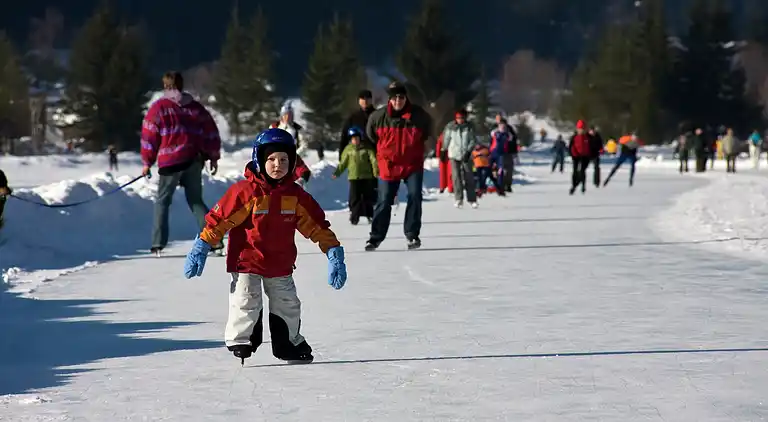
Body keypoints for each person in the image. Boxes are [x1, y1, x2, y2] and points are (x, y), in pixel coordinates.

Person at [182, 128, 347, 365]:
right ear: (259, 160)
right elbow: (219, 221)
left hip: (280, 262)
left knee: (288, 303)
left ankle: (288, 343)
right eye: (270, 159)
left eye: (283, 160)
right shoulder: (245, 192)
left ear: (292, 163)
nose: (277, 165)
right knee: (246, 297)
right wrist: (202, 246)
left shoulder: (296, 197)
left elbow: (317, 226)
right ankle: (242, 338)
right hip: (247, 260)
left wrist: (333, 252)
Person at [141, 71, 223, 256]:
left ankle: (157, 245)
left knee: (162, 202)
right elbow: (210, 132)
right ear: (181, 85)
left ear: (165, 86)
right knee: (196, 201)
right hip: (192, 160)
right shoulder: (195, 108)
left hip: (170, 163)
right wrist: (213, 156)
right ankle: (215, 241)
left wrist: (147, 162)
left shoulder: (158, 108)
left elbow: (149, 137)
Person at [364, 81, 432, 251]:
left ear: (405, 98)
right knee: (384, 200)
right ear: (390, 99)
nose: (398, 101)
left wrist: (423, 150)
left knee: (415, 195)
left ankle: (412, 234)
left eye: (401, 97)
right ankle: (375, 238)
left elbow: (429, 132)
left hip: (412, 164)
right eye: (394, 98)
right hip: (389, 165)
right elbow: (371, 136)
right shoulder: (378, 117)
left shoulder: (418, 115)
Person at [332, 126, 378, 225]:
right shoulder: (348, 150)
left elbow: (373, 160)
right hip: (354, 177)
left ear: (360, 138)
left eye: (357, 138)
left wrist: (375, 171)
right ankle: (354, 216)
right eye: (353, 139)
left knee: (367, 197)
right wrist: (337, 172)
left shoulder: (367, 148)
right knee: (354, 198)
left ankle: (369, 214)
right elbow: (343, 163)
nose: (355, 141)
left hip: (367, 177)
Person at [441, 109, 478, 208]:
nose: (460, 120)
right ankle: (458, 198)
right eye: (458, 118)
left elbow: (473, 140)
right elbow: (446, 138)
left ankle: (472, 199)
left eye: (462, 118)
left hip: (466, 155)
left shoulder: (469, 127)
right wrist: (443, 150)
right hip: (454, 154)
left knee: (468, 176)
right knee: (456, 177)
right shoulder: (450, 127)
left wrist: (469, 151)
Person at [568, 120, 593, 195]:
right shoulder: (574, 137)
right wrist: (573, 154)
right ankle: (574, 185)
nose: (581, 130)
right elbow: (570, 147)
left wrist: (591, 155)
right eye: (580, 129)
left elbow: (592, 146)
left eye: (582, 129)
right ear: (577, 129)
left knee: (582, 171)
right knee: (575, 171)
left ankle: (583, 185)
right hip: (576, 156)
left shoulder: (588, 137)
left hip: (585, 156)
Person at [489, 121, 512, 191]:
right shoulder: (495, 133)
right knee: (488, 168)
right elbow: (491, 136)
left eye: (503, 127)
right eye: (501, 126)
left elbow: (510, 138)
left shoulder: (507, 134)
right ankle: (487, 184)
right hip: (493, 153)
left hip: (501, 154)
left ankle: (500, 185)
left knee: (500, 170)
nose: (502, 128)